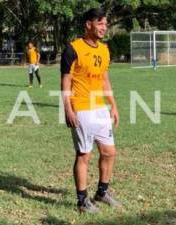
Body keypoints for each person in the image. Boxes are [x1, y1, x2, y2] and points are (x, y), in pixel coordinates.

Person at [60, 8, 121, 213]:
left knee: (109, 152)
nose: (104, 27)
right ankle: (82, 201)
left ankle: (102, 193)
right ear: (88, 24)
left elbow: (104, 79)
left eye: (106, 23)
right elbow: (66, 81)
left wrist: (113, 105)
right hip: (82, 109)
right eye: (100, 23)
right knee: (84, 155)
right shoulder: (72, 49)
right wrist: (67, 108)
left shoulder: (104, 50)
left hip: (100, 108)